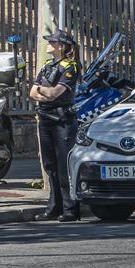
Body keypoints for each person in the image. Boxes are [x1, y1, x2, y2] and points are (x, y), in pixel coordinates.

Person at [31, 29, 82, 222]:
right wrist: (44, 91)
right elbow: (32, 93)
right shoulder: (47, 65)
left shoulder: (70, 66)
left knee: (63, 165)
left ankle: (70, 208)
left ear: (61, 46)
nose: (48, 45)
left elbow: (54, 94)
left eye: (52, 42)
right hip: (45, 118)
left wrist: (43, 91)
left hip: (62, 121)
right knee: (49, 164)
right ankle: (54, 206)